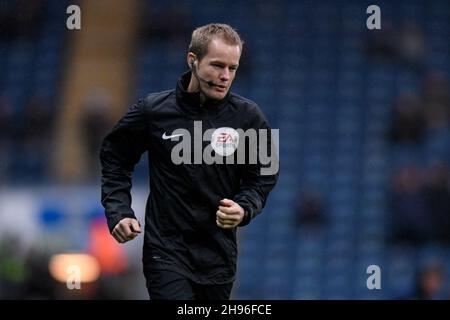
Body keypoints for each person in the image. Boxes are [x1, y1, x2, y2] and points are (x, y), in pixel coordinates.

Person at [100, 23, 279, 300]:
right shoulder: (153, 111)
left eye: (233, 68)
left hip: (218, 256)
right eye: (217, 65)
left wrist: (244, 208)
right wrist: (119, 211)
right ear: (192, 61)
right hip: (166, 251)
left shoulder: (249, 117)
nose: (225, 76)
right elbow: (114, 157)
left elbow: (265, 175)